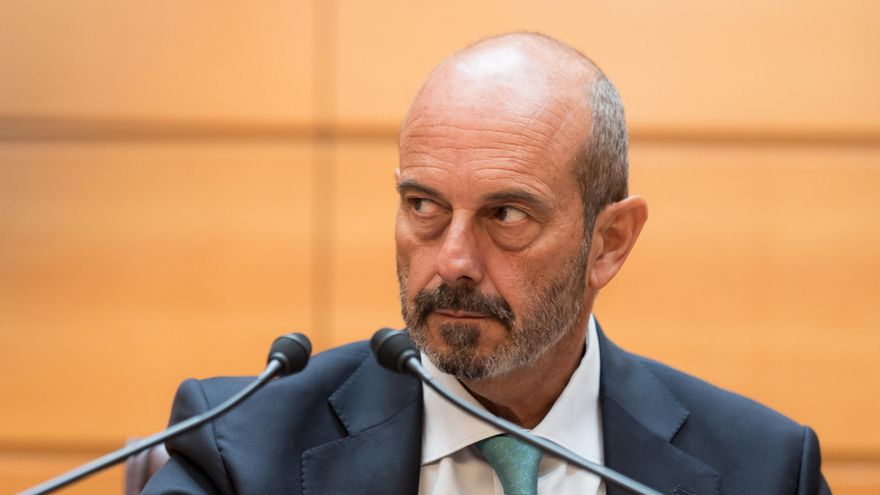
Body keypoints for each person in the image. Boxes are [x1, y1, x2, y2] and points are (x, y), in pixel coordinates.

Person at [143, 32, 831, 495]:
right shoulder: (241, 448)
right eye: (423, 205)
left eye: (506, 215)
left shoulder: (762, 468)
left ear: (609, 241)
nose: (453, 261)